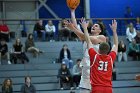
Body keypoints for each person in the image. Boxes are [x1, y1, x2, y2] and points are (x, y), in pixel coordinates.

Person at [66, 9, 106, 93]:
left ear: (100, 30)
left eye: (96, 26)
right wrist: (72, 12)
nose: (93, 26)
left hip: (96, 73)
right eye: (93, 25)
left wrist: (73, 29)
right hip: (85, 73)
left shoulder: (102, 38)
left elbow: (83, 35)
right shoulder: (85, 38)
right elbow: (77, 28)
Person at [80, 18, 118, 93]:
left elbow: (88, 41)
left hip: (97, 88)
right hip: (108, 88)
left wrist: (84, 28)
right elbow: (116, 44)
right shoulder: (110, 58)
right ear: (108, 51)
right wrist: (114, 31)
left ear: (99, 50)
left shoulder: (95, 56)